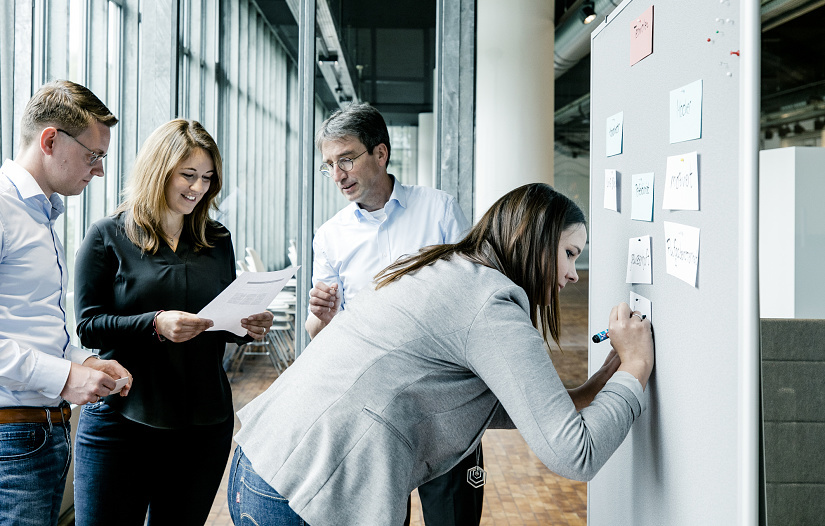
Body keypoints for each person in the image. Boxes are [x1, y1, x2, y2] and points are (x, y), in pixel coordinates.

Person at [227, 183, 655, 526]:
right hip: (302, 494)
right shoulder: (490, 305)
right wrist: (635, 369)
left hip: (262, 467)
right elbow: (575, 456)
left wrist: (596, 385)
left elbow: (509, 401)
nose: (572, 275)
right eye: (569, 254)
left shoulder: (448, 269)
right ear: (534, 242)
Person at [71, 119, 274, 525]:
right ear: (159, 170)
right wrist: (155, 323)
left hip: (202, 422)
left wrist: (247, 326)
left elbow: (222, 322)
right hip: (123, 419)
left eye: (207, 178)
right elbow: (88, 325)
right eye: (188, 175)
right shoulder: (108, 235)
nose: (198, 188)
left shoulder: (217, 241)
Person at [304, 103, 480, 525]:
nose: (337, 175)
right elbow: (318, 333)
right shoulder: (330, 236)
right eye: (329, 165)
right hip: (372, 406)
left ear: (380, 154)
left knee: (452, 516)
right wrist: (321, 317)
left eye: (346, 159)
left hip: (445, 398)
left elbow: (474, 298)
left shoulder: (439, 210)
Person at [0, 80, 132, 525]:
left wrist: (83, 362)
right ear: (51, 140)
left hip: (40, 434)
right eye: (93, 155)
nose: (98, 170)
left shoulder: (39, 213)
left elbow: (28, 324)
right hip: (10, 440)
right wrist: (63, 376)